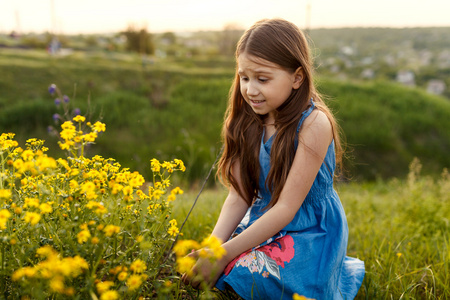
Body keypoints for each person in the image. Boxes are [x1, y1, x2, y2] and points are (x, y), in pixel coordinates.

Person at [182, 18, 365, 299]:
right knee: (223, 267)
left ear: (297, 78)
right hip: (263, 220)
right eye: (244, 77)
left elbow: (287, 208)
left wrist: (224, 255)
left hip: (309, 231)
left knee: (246, 274)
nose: (251, 89)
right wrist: (214, 249)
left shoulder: (314, 124)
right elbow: (239, 196)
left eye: (262, 79)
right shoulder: (249, 120)